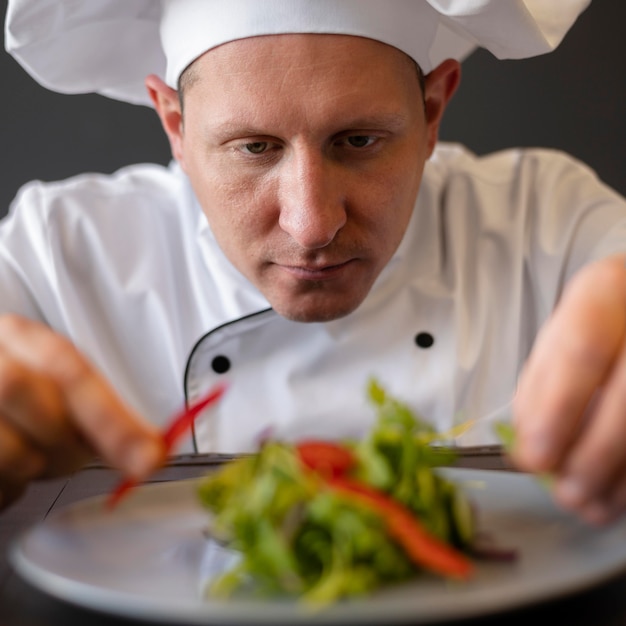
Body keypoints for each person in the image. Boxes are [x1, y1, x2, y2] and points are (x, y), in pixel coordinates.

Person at [2, 0, 626, 526]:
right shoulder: (55, 255)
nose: (312, 223)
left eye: (358, 141)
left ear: (432, 109)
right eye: (254, 147)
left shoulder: (550, 223)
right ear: (175, 126)